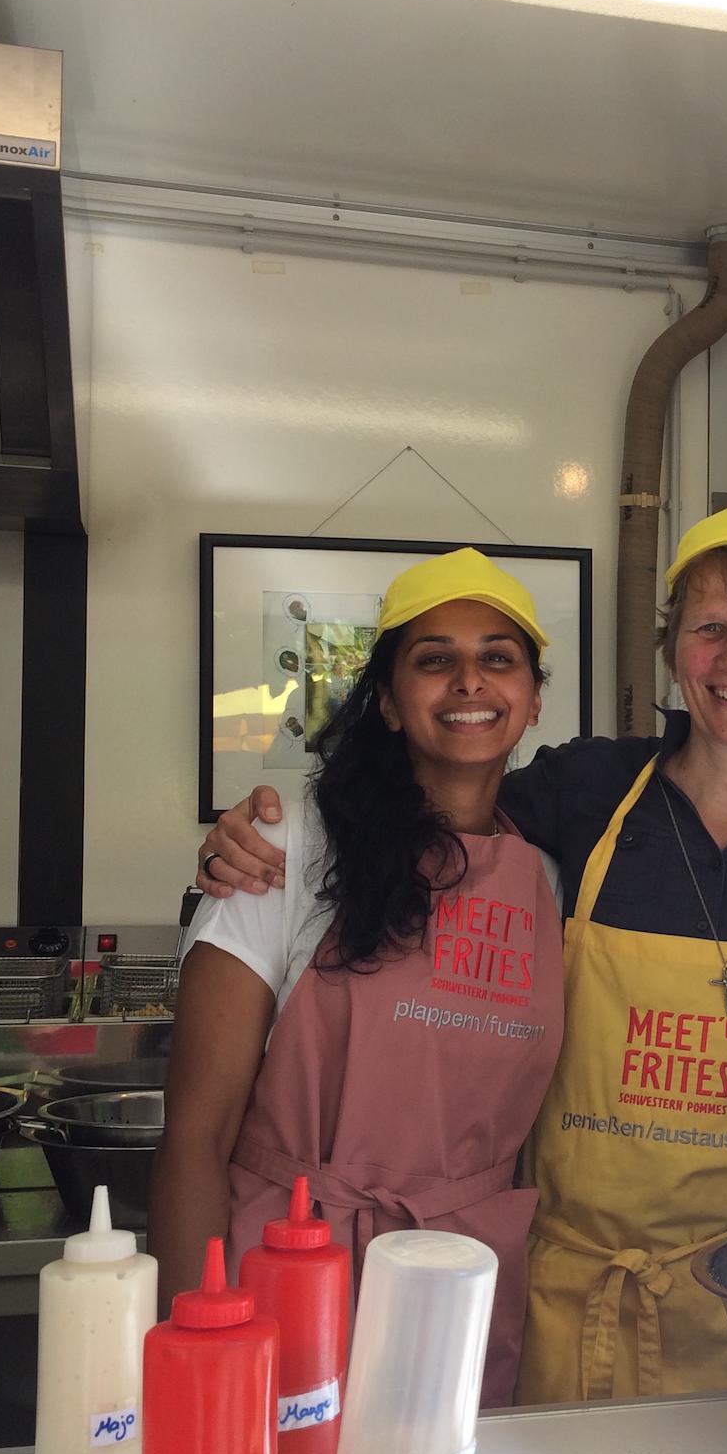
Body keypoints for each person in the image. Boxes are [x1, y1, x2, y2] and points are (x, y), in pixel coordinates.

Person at [196, 500, 727, 1401]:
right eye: (710, 628)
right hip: (556, 1288)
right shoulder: (584, 794)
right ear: (673, 652)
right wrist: (265, 834)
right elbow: (429, 800)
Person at [152, 548, 565, 1408]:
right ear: (384, 699)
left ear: (530, 701)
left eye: (498, 657)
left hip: (462, 1288)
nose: (468, 681)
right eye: (433, 658)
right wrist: (202, 1352)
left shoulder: (548, 882)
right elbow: (197, 1133)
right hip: (287, 1276)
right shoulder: (288, 851)